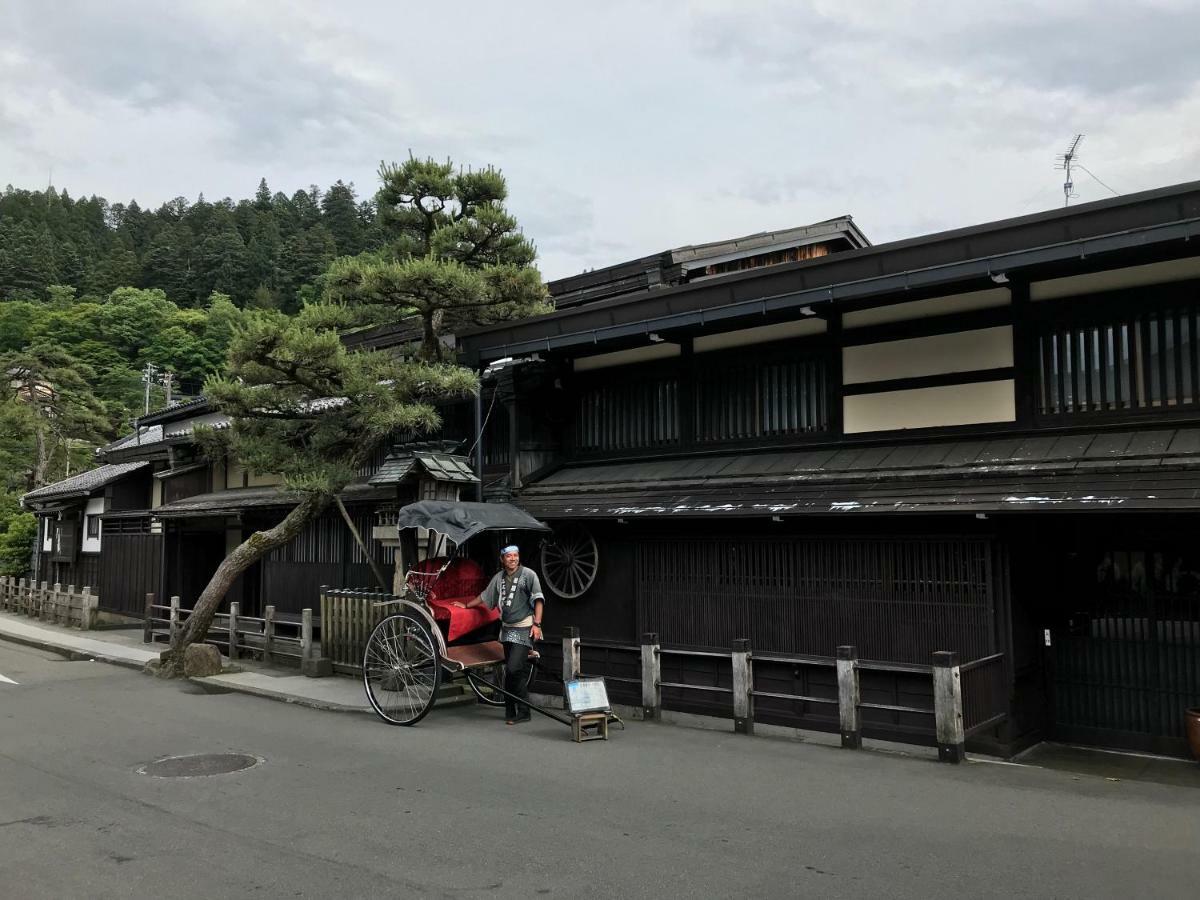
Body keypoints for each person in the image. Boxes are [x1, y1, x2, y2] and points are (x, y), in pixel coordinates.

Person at [453, 545, 544, 724]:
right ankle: (510, 709)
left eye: (515, 555)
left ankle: (524, 710)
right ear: (502, 559)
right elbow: (484, 596)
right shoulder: (499, 578)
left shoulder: (529, 575)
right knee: (509, 671)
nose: (512, 559)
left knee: (513, 669)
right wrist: (467, 606)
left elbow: (539, 599)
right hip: (507, 629)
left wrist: (537, 624)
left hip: (524, 628)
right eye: (508, 556)